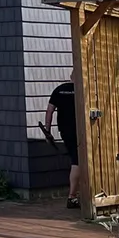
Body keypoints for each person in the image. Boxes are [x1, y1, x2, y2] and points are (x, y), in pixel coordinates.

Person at [46, 70, 80, 208]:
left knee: (75, 158)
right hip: (81, 131)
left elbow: (49, 111)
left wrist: (47, 131)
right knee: (77, 161)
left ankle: (76, 194)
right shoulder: (82, 90)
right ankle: (72, 197)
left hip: (65, 131)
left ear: (71, 77)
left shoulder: (59, 90)